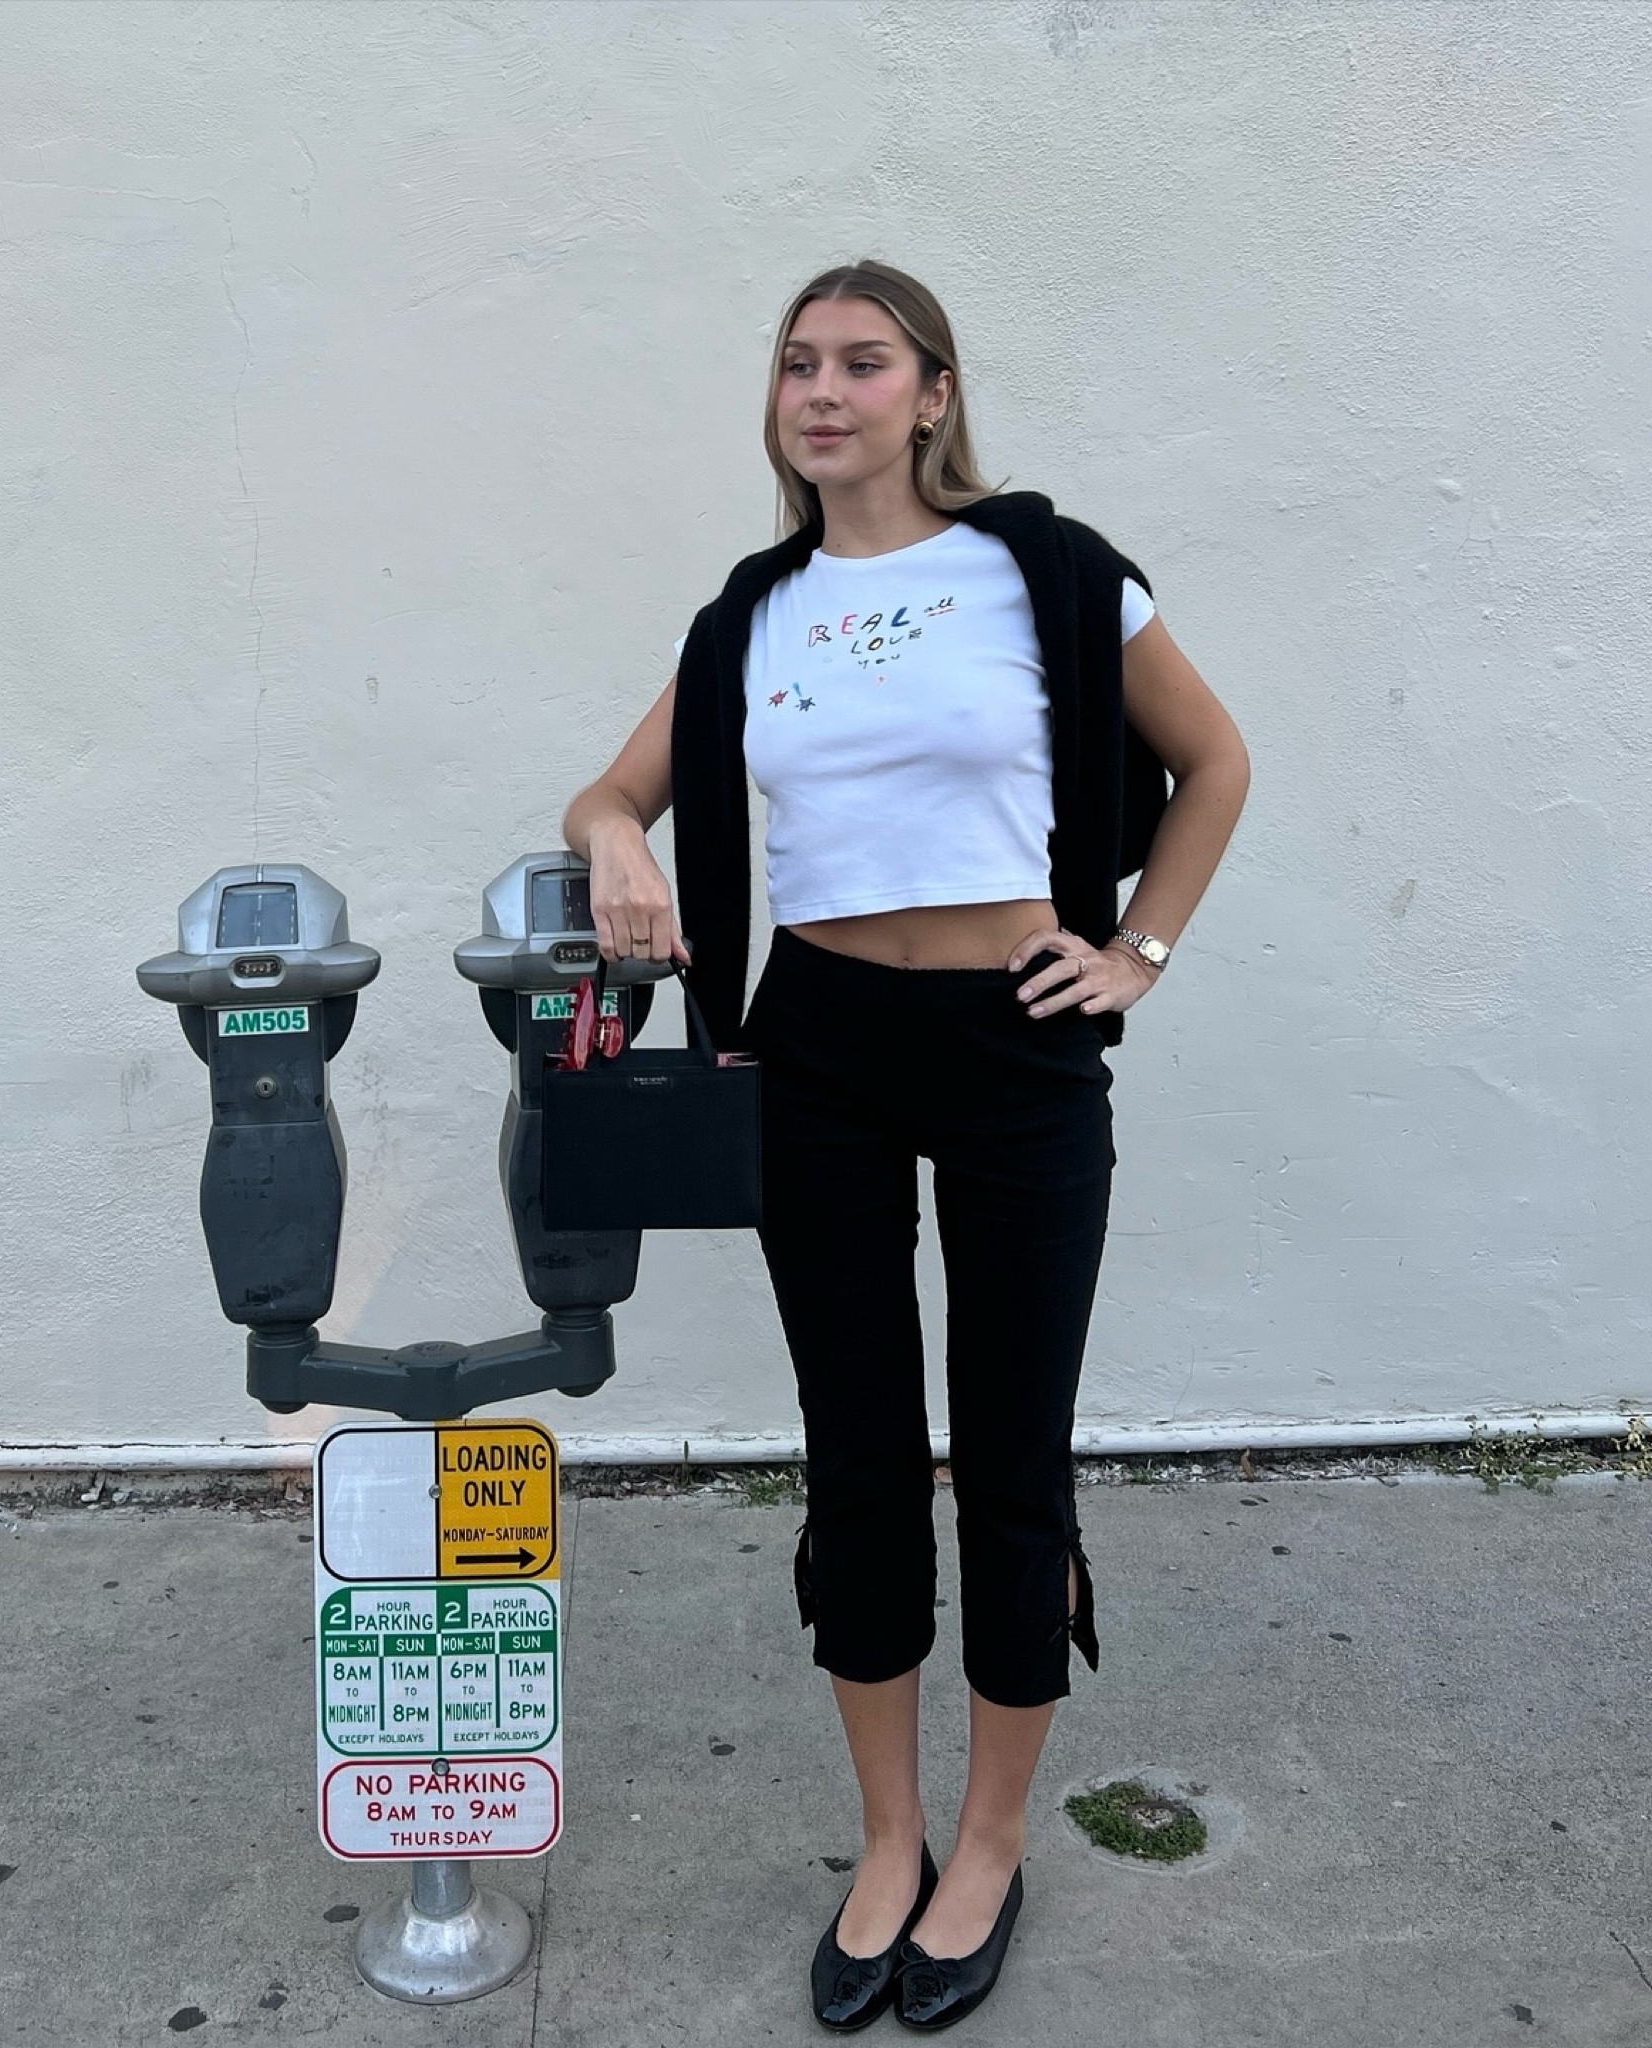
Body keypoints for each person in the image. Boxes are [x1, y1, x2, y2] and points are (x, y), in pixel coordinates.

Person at [562, 259, 1249, 2032]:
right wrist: (616, 846)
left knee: (1013, 1457)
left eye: (868, 362)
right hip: (823, 1048)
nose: (827, 390)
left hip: (1017, 1038)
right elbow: (613, 792)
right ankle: (887, 1839)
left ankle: (993, 1840)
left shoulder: (1048, 569)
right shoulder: (753, 613)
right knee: (860, 1456)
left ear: (935, 394)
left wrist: (1136, 955)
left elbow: (1216, 762)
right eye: (799, 363)